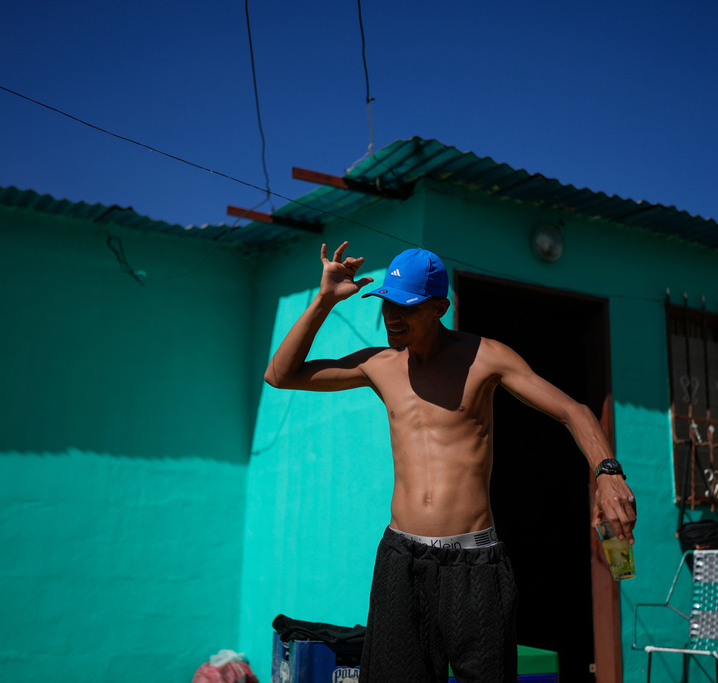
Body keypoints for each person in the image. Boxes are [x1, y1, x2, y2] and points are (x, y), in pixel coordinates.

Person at [264, 242, 637, 683]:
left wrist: (607, 472)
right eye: (386, 304)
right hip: (401, 561)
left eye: (407, 307)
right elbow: (281, 375)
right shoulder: (379, 365)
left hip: (474, 566)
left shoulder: (486, 358)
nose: (392, 317)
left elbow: (573, 410)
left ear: (439, 306)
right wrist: (324, 299)